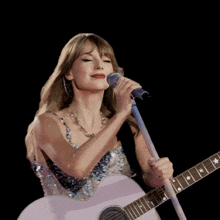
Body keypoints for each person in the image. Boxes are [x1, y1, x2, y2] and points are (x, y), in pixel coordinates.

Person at [25, 33, 174, 219]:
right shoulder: (47, 123)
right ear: (69, 72)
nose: (99, 65)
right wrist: (120, 114)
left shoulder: (130, 127)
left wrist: (159, 176)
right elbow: (77, 168)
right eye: (87, 59)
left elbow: (150, 180)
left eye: (106, 60)